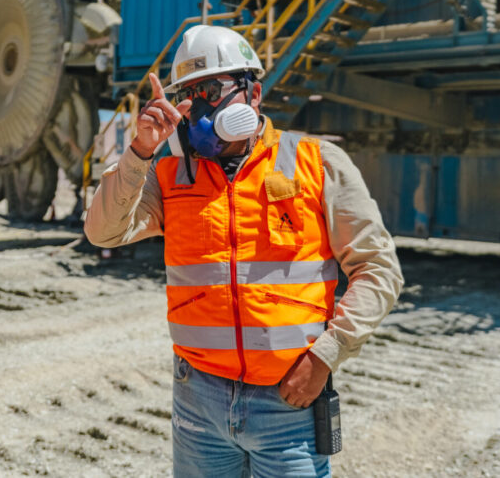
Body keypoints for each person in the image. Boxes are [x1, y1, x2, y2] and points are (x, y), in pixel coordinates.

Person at [84, 24, 403, 477]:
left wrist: (324, 357)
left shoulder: (318, 162)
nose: (199, 108)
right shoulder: (169, 173)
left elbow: (379, 269)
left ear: (253, 93)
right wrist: (139, 152)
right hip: (198, 402)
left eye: (211, 90)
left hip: (289, 400)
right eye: (188, 96)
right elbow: (103, 233)